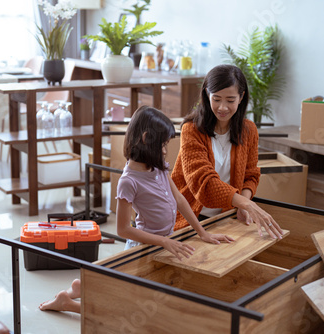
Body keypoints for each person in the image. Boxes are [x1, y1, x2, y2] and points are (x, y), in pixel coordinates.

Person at [39, 106, 234, 313]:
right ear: (146, 138)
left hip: (163, 243)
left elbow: (179, 199)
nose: (165, 150)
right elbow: (123, 230)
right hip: (140, 249)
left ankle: (80, 287)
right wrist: (164, 241)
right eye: (163, 144)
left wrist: (201, 232)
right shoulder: (128, 181)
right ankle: (67, 303)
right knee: (126, 308)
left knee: (138, 295)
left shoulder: (158, 166)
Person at [171, 64, 284, 239]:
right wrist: (246, 204)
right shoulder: (191, 130)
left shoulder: (249, 130)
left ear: (241, 97)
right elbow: (203, 182)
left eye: (230, 100)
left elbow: (250, 175)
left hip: (226, 216)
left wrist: (242, 204)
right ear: (207, 95)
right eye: (216, 99)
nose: (223, 107)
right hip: (191, 218)